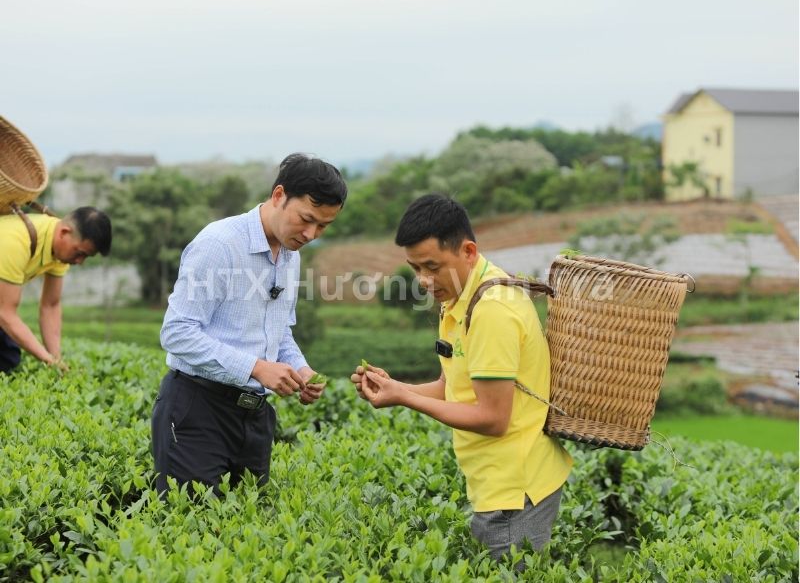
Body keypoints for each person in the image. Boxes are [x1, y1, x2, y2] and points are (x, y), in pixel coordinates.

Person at [350, 194, 572, 566]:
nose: (423, 280)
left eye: (432, 267)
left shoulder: (492, 311)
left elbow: (493, 418)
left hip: (513, 493)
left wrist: (405, 399)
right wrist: (397, 388)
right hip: (494, 483)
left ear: (468, 251)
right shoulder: (459, 297)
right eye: (415, 268)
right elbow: (451, 387)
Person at [153, 153, 347, 495]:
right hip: (197, 411)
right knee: (194, 531)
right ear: (278, 196)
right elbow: (177, 332)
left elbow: (279, 330)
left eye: (323, 226)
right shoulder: (220, 245)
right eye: (306, 219)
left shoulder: (291, 255)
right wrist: (256, 368)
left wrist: (300, 369)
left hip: (255, 418)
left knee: (245, 532)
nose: (311, 233)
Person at [0, 206, 112, 373]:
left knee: (8, 356)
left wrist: (56, 359)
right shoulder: (14, 241)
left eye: (86, 257)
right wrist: (47, 359)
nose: (80, 261)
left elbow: (51, 305)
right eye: (80, 253)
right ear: (64, 233)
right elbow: (5, 314)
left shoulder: (59, 249)